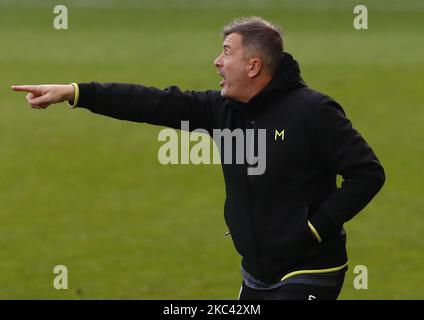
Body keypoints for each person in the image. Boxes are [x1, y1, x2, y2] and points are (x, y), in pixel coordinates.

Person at [11, 17, 385, 300]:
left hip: (310, 269)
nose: (217, 62)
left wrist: (313, 229)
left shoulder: (313, 112)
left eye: (226, 52)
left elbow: (367, 173)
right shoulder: (220, 110)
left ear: (254, 66)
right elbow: (150, 102)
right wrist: (76, 93)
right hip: (255, 272)